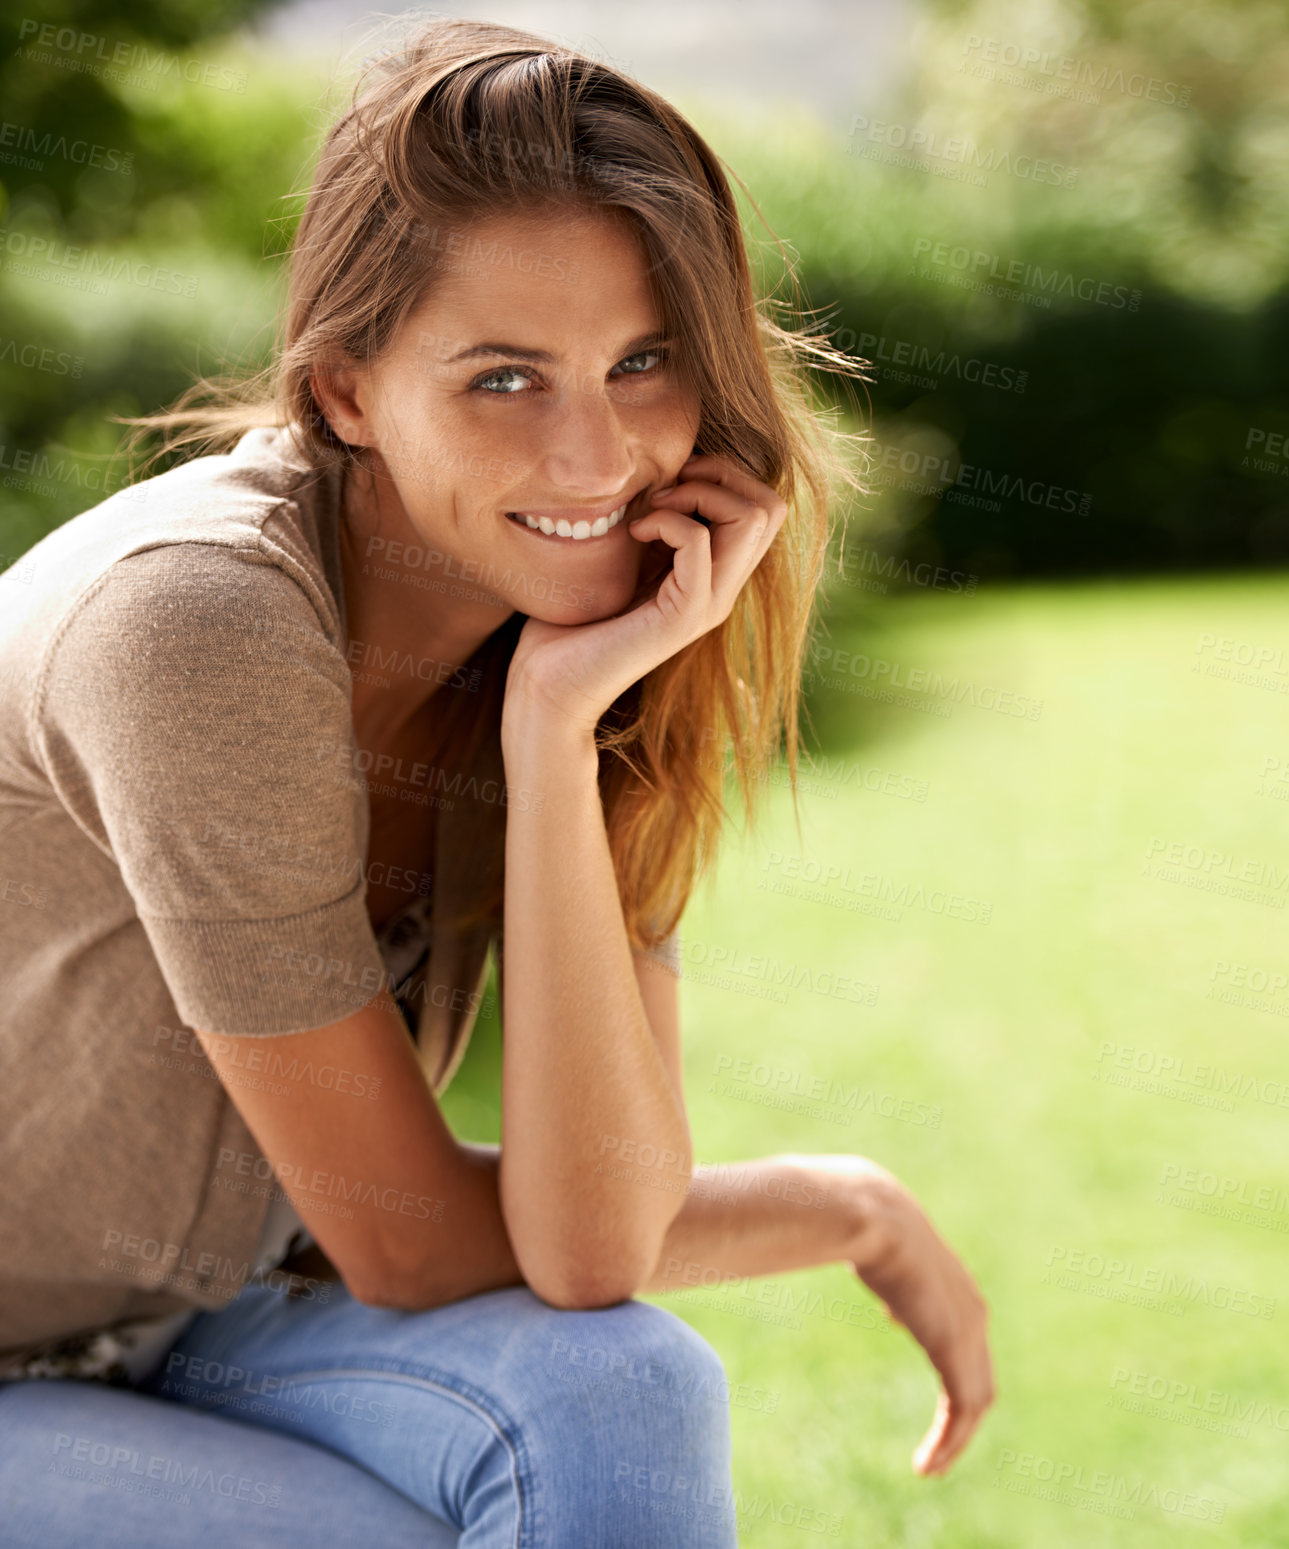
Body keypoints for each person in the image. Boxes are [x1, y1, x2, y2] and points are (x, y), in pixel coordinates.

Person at [0, 16, 994, 1545]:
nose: (597, 454)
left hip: (184, 1318)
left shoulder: (573, 646)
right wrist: (835, 1204)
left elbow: (589, 1242)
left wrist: (553, 740)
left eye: (644, 359)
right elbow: (404, 1248)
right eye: (503, 378)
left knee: (624, 1384)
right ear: (343, 392)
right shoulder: (196, 621)